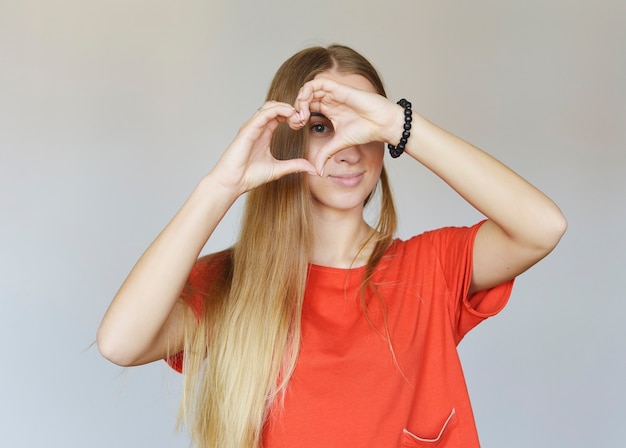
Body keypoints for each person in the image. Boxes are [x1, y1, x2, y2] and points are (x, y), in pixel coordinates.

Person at [97, 44, 566, 448]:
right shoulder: (230, 282)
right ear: (288, 136)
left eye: (362, 124)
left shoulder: (432, 266)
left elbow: (542, 226)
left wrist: (402, 124)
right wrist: (221, 185)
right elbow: (119, 343)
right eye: (321, 127)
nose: (348, 148)